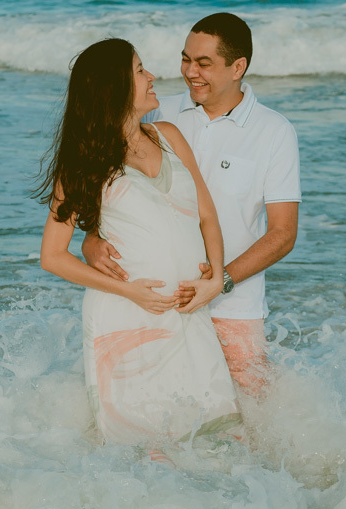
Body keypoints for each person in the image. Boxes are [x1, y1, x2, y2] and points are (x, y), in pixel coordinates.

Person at [82, 13, 301, 396]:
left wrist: (221, 281)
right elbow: (104, 187)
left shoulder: (274, 131)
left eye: (204, 63)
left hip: (234, 308)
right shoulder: (155, 112)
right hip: (160, 302)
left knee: (251, 422)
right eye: (186, 59)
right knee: (160, 421)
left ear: (238, 67)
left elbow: (283, 233)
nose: (189, 71)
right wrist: (90, 239)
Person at [37, 38, 239, 449]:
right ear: (114, 87)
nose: (152, 77)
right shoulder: (85, 161)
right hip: (125, 322)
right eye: (140, 70)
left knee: (221, 443)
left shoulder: (169, 136)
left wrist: (216, 277)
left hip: (188, 313)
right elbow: (52, 257)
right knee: (144, 455)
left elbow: (207, 216)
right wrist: (128, 290)